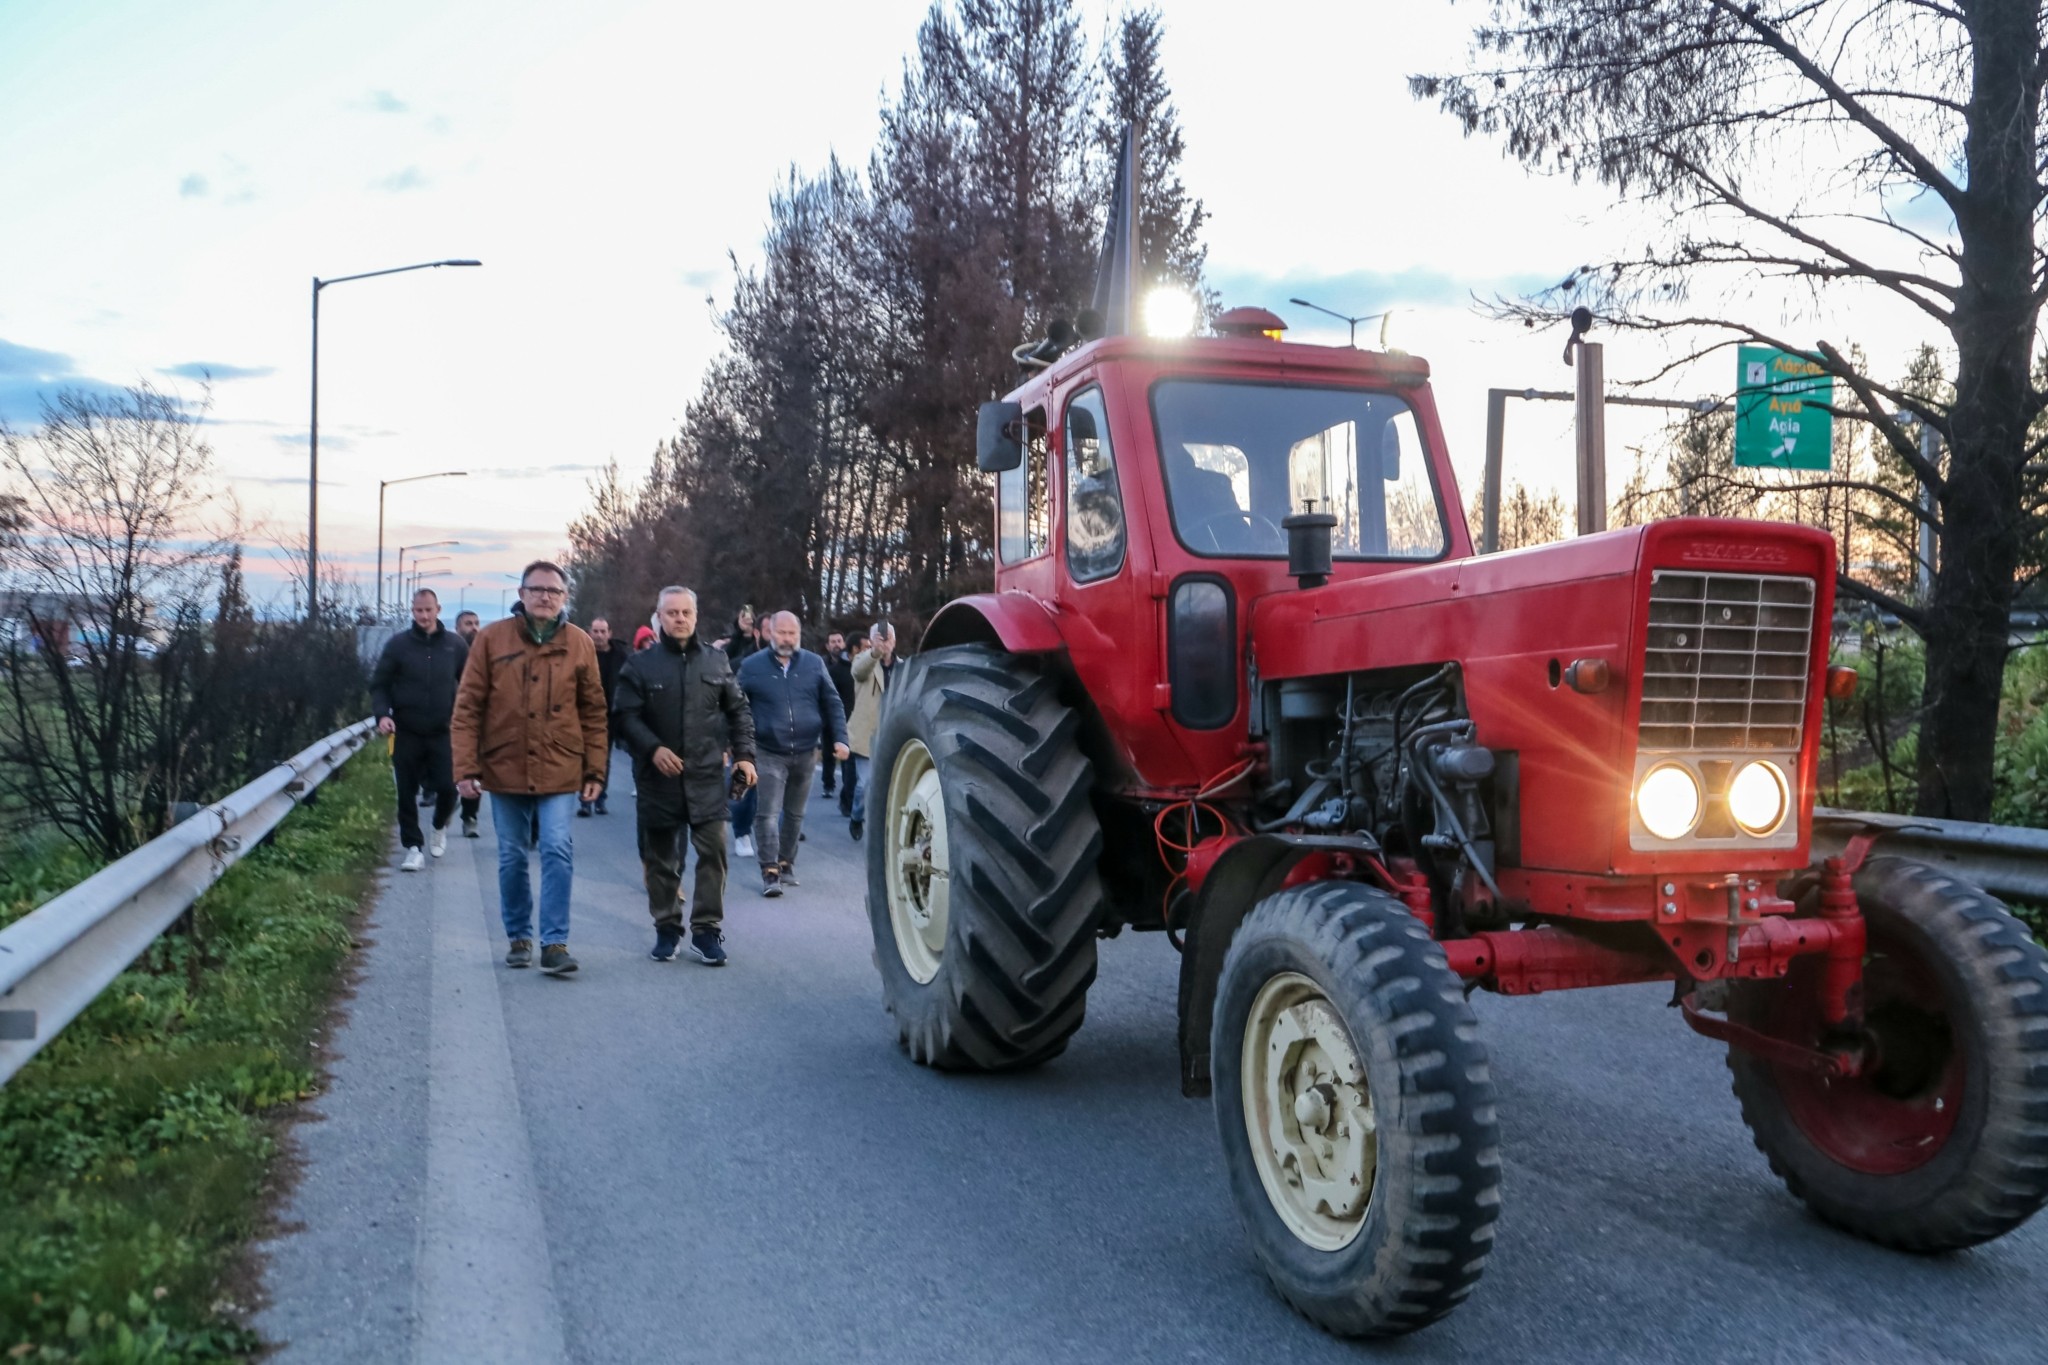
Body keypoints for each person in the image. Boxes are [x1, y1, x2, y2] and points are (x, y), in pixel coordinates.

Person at [451, 560, 608, 976]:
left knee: (557, 847)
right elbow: (467, 708)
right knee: (511, 855)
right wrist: (466, 768)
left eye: (553, 591)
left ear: (564, 598)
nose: (544, 597)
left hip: (559, 764)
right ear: (521, 595)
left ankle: (555, 943)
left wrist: (595, 771)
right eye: (536, 589)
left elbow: (594, 711)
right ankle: (519, 936)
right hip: (505, 764)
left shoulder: (579, 643)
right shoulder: (491, 640)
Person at [612, 587, 756, 966]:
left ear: (696, 616)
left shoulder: (716, 661)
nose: (679, 618)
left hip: (707, 777)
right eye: (671, 612)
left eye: (685, 612)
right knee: (661, 859)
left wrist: (744, 756)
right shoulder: (639, 666)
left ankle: (707, 931)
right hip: (657, 779)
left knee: (714, 854)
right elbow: (624, 717)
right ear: (658, 616)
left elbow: (739, 711)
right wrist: (652, 748)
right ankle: (666, 927)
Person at [733, 611, 847, 896]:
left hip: (807, 751)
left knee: (795, 814)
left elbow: (833, 703)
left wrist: (841, 739)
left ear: (799, 635)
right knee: (768, 813)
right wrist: (735, 747)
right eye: (781, 633)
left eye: (792, 634)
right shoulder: (752, 666)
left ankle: (786, 862)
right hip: (768, 750)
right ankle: (769, 870)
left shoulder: (814, 663)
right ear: (769, 633)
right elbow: (734, 707)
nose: (787, 639)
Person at [369, 588, 469, 872]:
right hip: (406, 731)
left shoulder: (455, 645)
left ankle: (439, 825)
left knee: (448, 788)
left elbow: (471, 685)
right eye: (418, 611)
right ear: (412, 611)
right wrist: (382, 715)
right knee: (406, 792)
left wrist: (469, 720)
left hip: (444, 731)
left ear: (438, 609)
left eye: (428, 610)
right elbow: (380, 685)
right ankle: (413, 847)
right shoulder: (398, 645)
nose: (424, 616)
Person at [846, 621, 897, 841]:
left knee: (891, 785)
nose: (885, 642)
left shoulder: (903, 666)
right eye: (879, 637)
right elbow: (858, 672)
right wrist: (874, 652)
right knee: (865, 784)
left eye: (888, 638)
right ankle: (857, 816)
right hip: (866, 735)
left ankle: (885, 829)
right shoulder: (862, 660)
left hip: (892, 734)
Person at [584, 615, 628, 817]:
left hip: (610, 715)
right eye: (596, 631)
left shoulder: (621, 657)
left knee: (604, 758)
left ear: (609, 633)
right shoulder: (583, 654)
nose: (599, 635)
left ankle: (601, 798)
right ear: (589, 633)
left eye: (603, 631)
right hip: (584, 714)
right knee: (584, 757)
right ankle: (585, 799)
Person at [450, 611, 485, 836]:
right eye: (468, 624)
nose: (473, 627)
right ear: (457, 628)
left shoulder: (484, 653)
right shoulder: (449, 651)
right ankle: (445, 803)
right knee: (449, 772)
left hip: (476, 721)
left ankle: (470, 816)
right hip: (448, 718)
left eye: (476, 623)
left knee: (474, 771)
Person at [821, 631, 855, 798]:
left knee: (846, 752)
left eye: (839, 641)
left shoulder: (850, 665)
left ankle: (847, 789)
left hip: (846, 714)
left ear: (843, 644)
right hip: (827, 714)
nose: (836, 644)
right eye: (832, 641)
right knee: (828, 752)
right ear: (827, 646)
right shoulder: (822, 665)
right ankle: (828, 784)